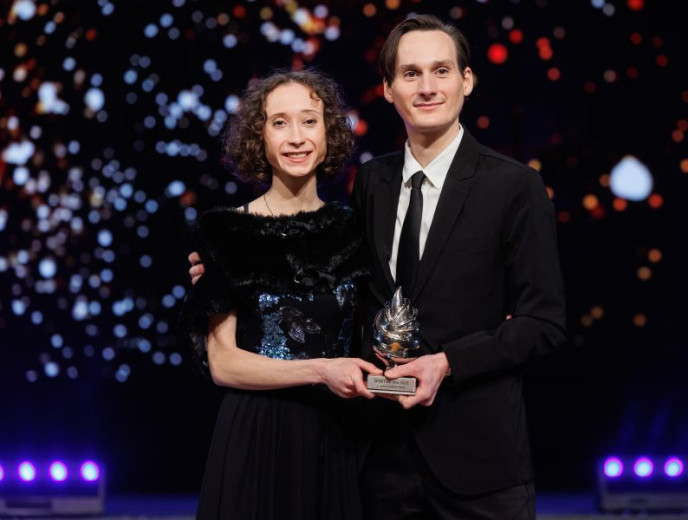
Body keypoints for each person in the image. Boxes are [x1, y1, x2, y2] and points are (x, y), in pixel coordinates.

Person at [352, 15, 567, 519]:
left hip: (480, 464)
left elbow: (544, 323)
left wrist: (446, 363)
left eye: (441, 71)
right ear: (387, 89)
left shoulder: (514, 187)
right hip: (378, 456)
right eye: (410, 74)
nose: (427, 87)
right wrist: (231, 268)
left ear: (466, 80)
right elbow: (351, 291)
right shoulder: (370, 183)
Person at [179, 69, 382, 519]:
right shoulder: (226, 230)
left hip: (336, 441)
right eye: (279, 123)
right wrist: (321, 370)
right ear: (259, 137)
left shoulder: (355, 230)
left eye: (309, 121)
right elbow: (224, 364)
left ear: (329, 133)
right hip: (256, 437)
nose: (296, 137)